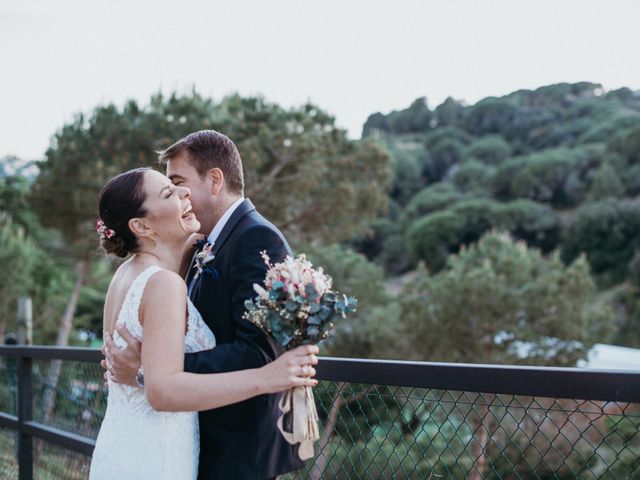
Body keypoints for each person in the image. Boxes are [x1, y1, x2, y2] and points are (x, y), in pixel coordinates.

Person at [103, 130, 309, 479]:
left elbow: (258, 353)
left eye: (179, 182)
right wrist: (152, 372)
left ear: (215, 181)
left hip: (237, 449)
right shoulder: (186, 254)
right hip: (176, 444)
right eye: (170, 189)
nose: (180, 193)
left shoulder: (256, 239)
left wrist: (147, 371)